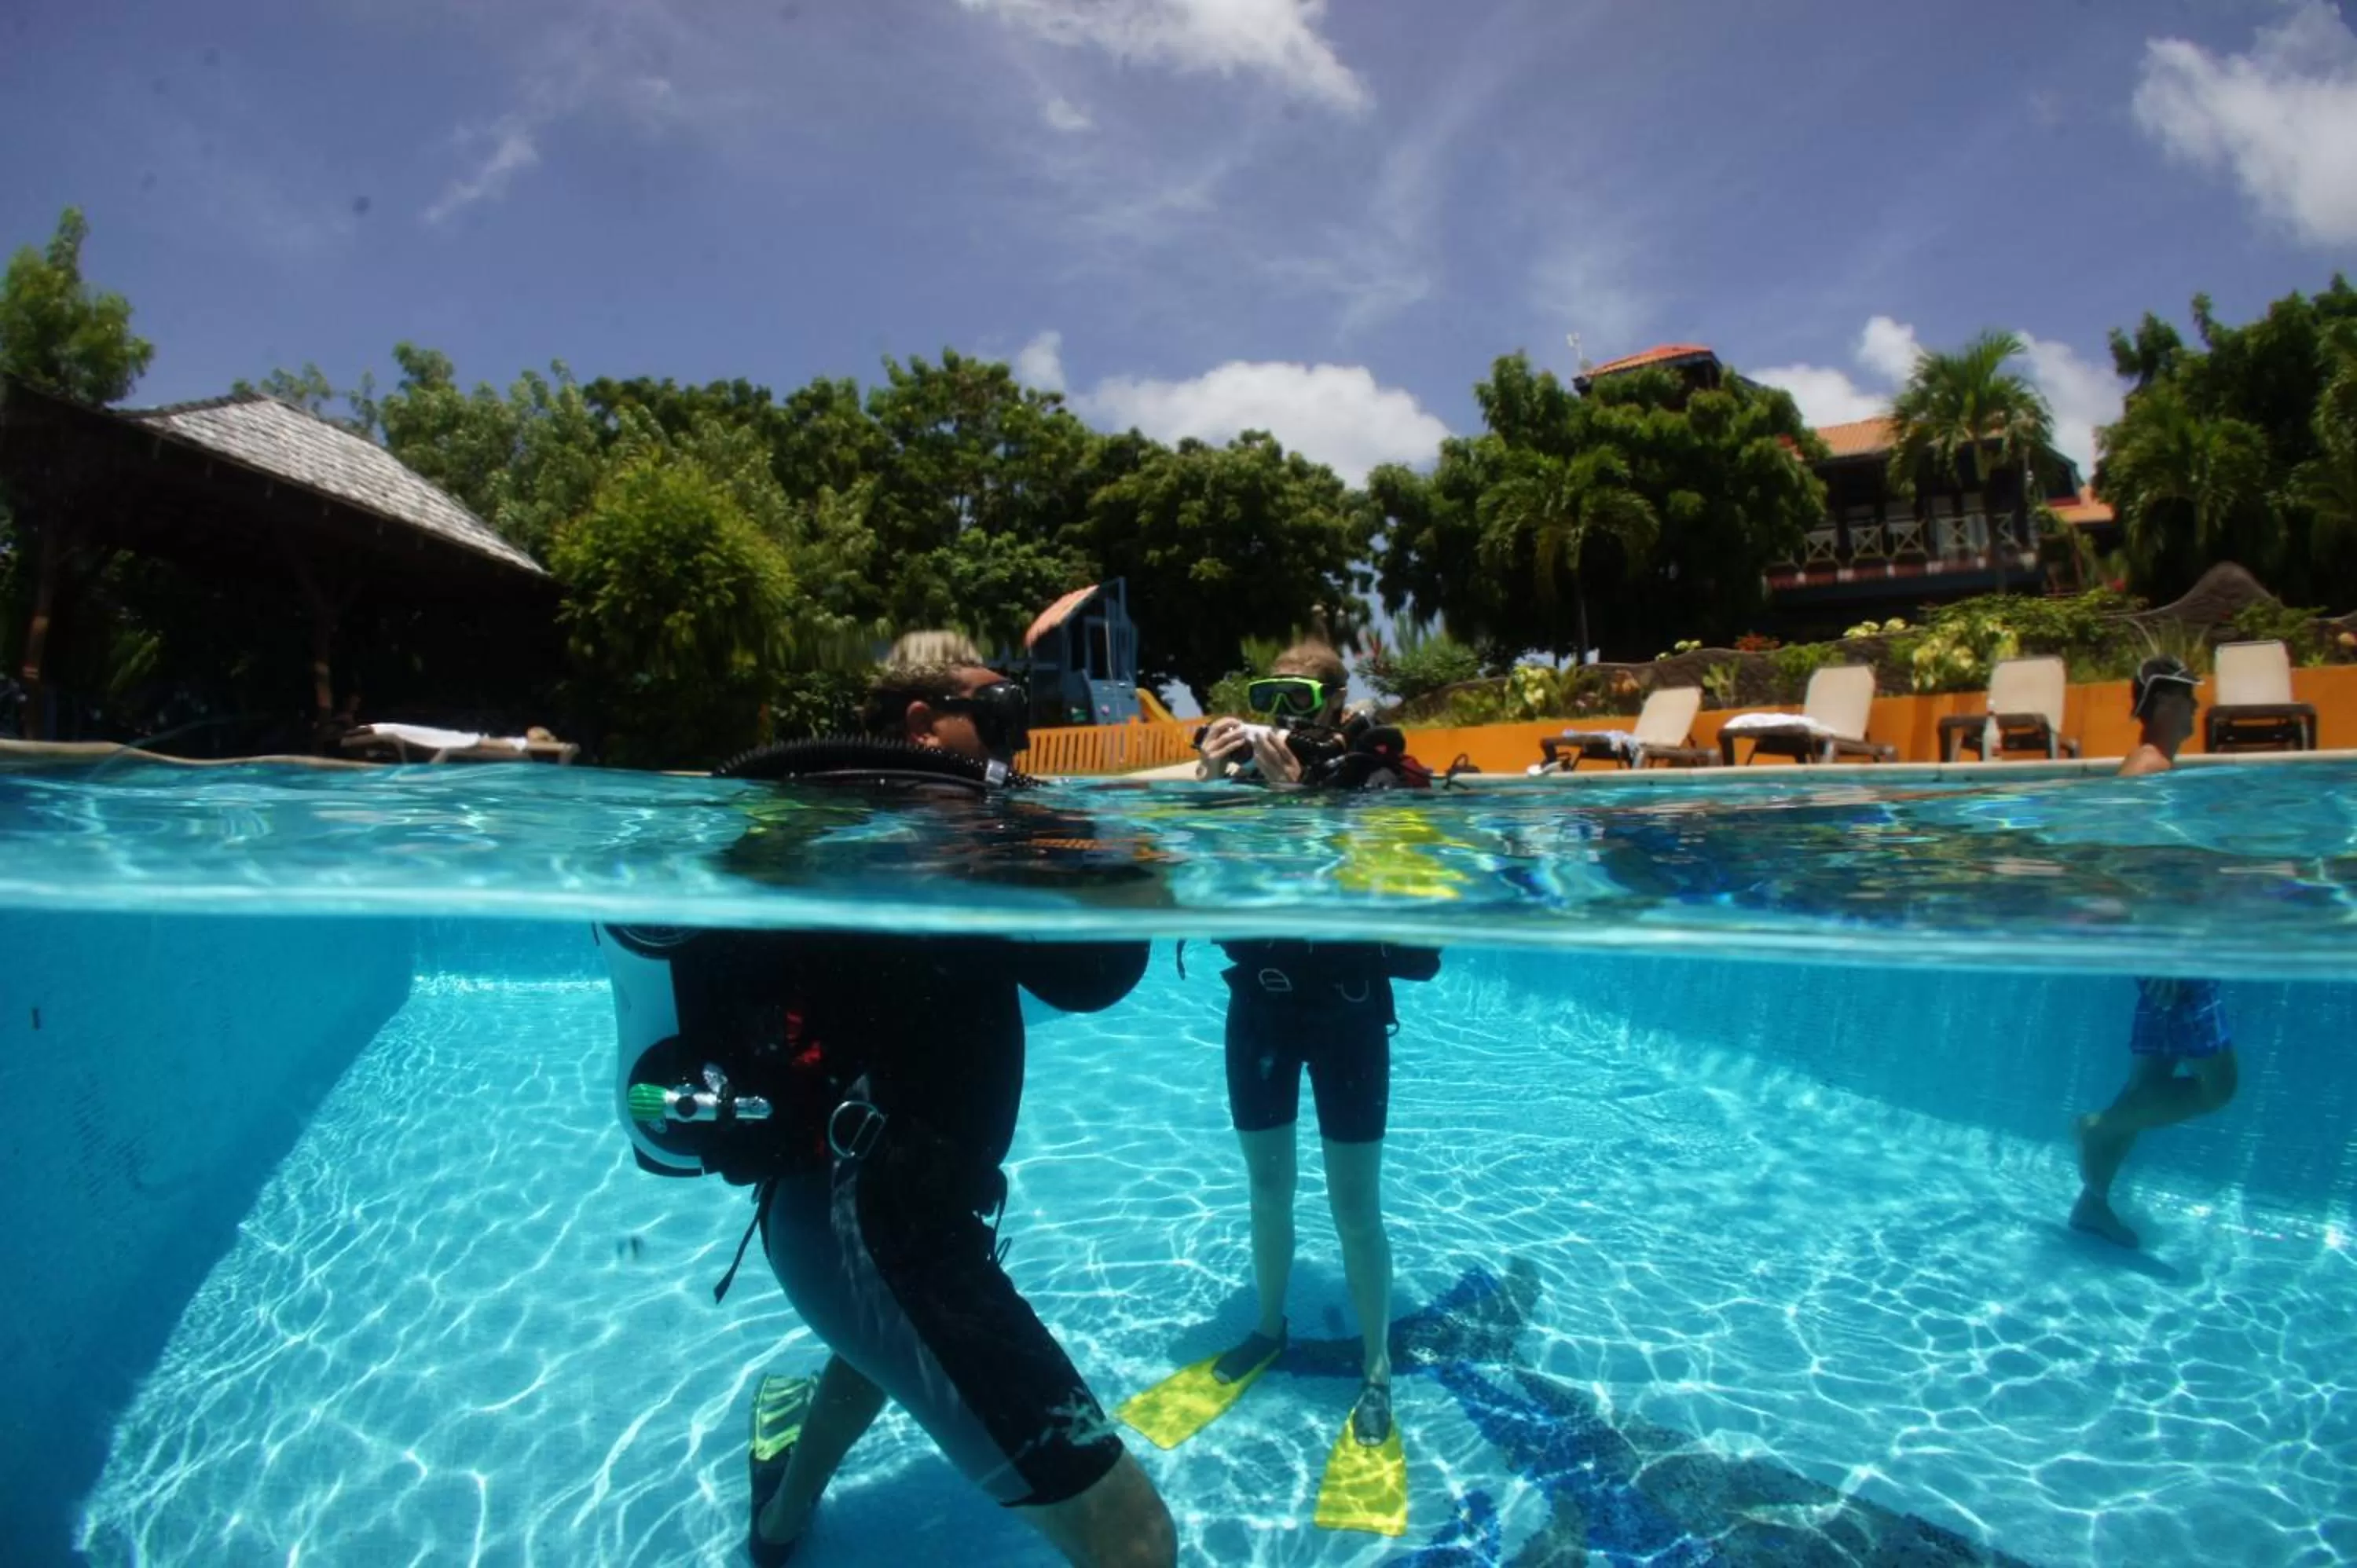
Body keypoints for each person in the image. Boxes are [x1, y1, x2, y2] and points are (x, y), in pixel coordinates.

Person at [607, 659, 1175, 1567]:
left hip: (880, 1224)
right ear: (921, 721)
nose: (1014, 743)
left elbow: (1089, 974)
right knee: (1135, 1537)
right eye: (996, 716)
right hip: (868, 1230)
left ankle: (780, 1523)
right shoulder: (875, 841)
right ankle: (781, 1518)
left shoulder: (960, 852)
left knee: (875, 1354)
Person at [1124, 641, 1436, 1534]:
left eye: (1303, 695)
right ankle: (1267, 1327)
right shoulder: (1238, 778)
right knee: (1266, 1189)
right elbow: (1167, 854)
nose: (1286, 712)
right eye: (1268, 694)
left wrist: (1303, 800)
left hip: (1344, 1011)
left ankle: (1376, 1371)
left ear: (1341, 699)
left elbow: (1397, 874)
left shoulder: (1372, 777)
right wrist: (1206, 781)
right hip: (1256, 1010)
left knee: (1354, 1209)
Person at [2070, 656, 2238, 1249]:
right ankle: (2099, 1127)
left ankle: (2093, 1203)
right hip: (2173, 950)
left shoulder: (2155, 767)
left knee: (2150, 1087)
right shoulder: (2148, 770)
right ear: (2166, 703)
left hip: (2167, 943)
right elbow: (2125, 864)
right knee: (2219, 1088)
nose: (2197, 709)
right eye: (2190, 699)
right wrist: (2163, 951)